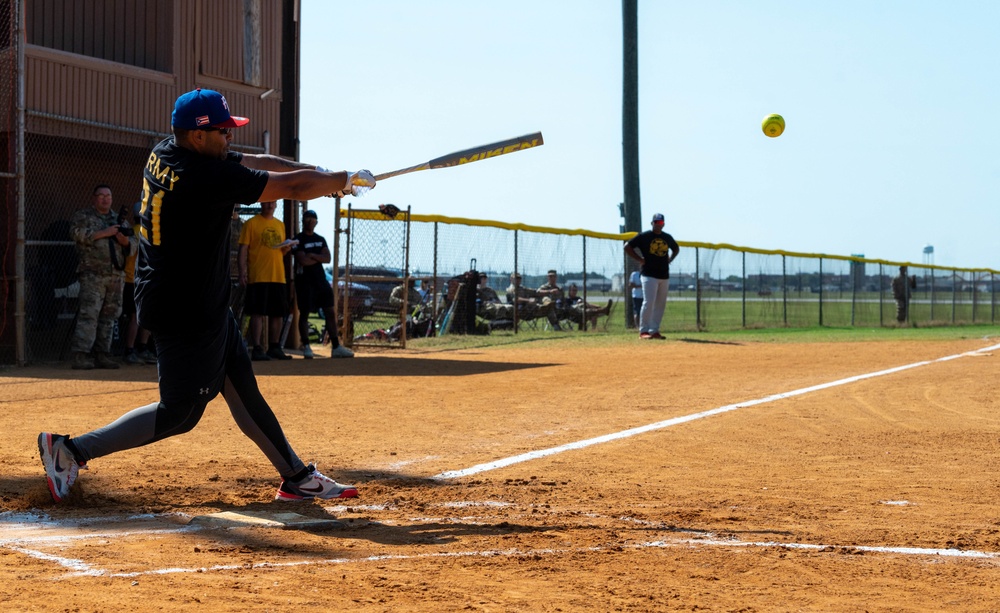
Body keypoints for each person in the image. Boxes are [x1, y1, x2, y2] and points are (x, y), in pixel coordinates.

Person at [38, 87, 375, 504]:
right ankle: (70, 451)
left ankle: (296, 477)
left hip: (194, 299)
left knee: (242, 389)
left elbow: (259, 163)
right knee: (179, 412)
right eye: (222, 131)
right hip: (185, 308)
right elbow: (287, 187)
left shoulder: (170, 150)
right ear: (198, 136)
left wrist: (323, 174)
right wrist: (339, 181)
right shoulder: (205, 177)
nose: (230, 138)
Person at [67, 184, 131, 370]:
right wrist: (104, 233)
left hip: (115, 276)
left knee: (109, 317)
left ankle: (103, 354)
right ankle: (81, 355)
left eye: (108, 196)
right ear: (94, 198)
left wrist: (124, 240)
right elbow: (76, 234)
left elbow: (132, 244)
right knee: (89, 315)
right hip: (93, 276)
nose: (105, 199)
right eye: (101, 195)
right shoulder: (84, 216)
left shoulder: (119, 220)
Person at [290, 209, 353, 359]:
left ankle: (336, 346)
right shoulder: (298, 240)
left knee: (330, 311)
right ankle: (306, 346)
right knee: (304, 313)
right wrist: (317, 257)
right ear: (303, 221)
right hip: (305, 282)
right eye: (307, 219)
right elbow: (302, 260)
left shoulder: (320, 239)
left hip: (321, 281)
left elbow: (328, 258)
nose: (310, 222)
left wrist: (312, 255)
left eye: (313, 219)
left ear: (316, 222)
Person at [238, 201, 296, 361]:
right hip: (258, 275)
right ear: (261, 204)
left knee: (277, 313)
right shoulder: (251, 223)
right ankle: (257, 347)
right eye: (267, 202)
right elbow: (243, 249)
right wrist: (243, 271)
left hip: (277, 276)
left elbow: (280, 252)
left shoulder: (280, 225)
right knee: (257, 312)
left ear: (276, 205)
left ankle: (274, 346)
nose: (270, 205)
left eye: (272, 203)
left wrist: (286, 247)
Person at [625, 212, 680, 339]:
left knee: (660, 304)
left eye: (660, 223)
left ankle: (654, 330)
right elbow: (627, 246)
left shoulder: (667, 237)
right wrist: (639, 259)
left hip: (664, 275)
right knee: (648, 302)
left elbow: (676, 248)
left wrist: (670, 259)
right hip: (649, 274)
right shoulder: (645, 236)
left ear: (663, 224)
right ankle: (643, 331)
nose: (658, 225)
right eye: (656, 222)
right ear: (652, 223)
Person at [121, 202, 156, 365]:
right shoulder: (141, 231)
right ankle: (132, 349)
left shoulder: (138, 231)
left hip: (136, 279)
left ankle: (140, 348)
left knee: (141, 315)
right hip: (134, 279)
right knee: (137, 316)